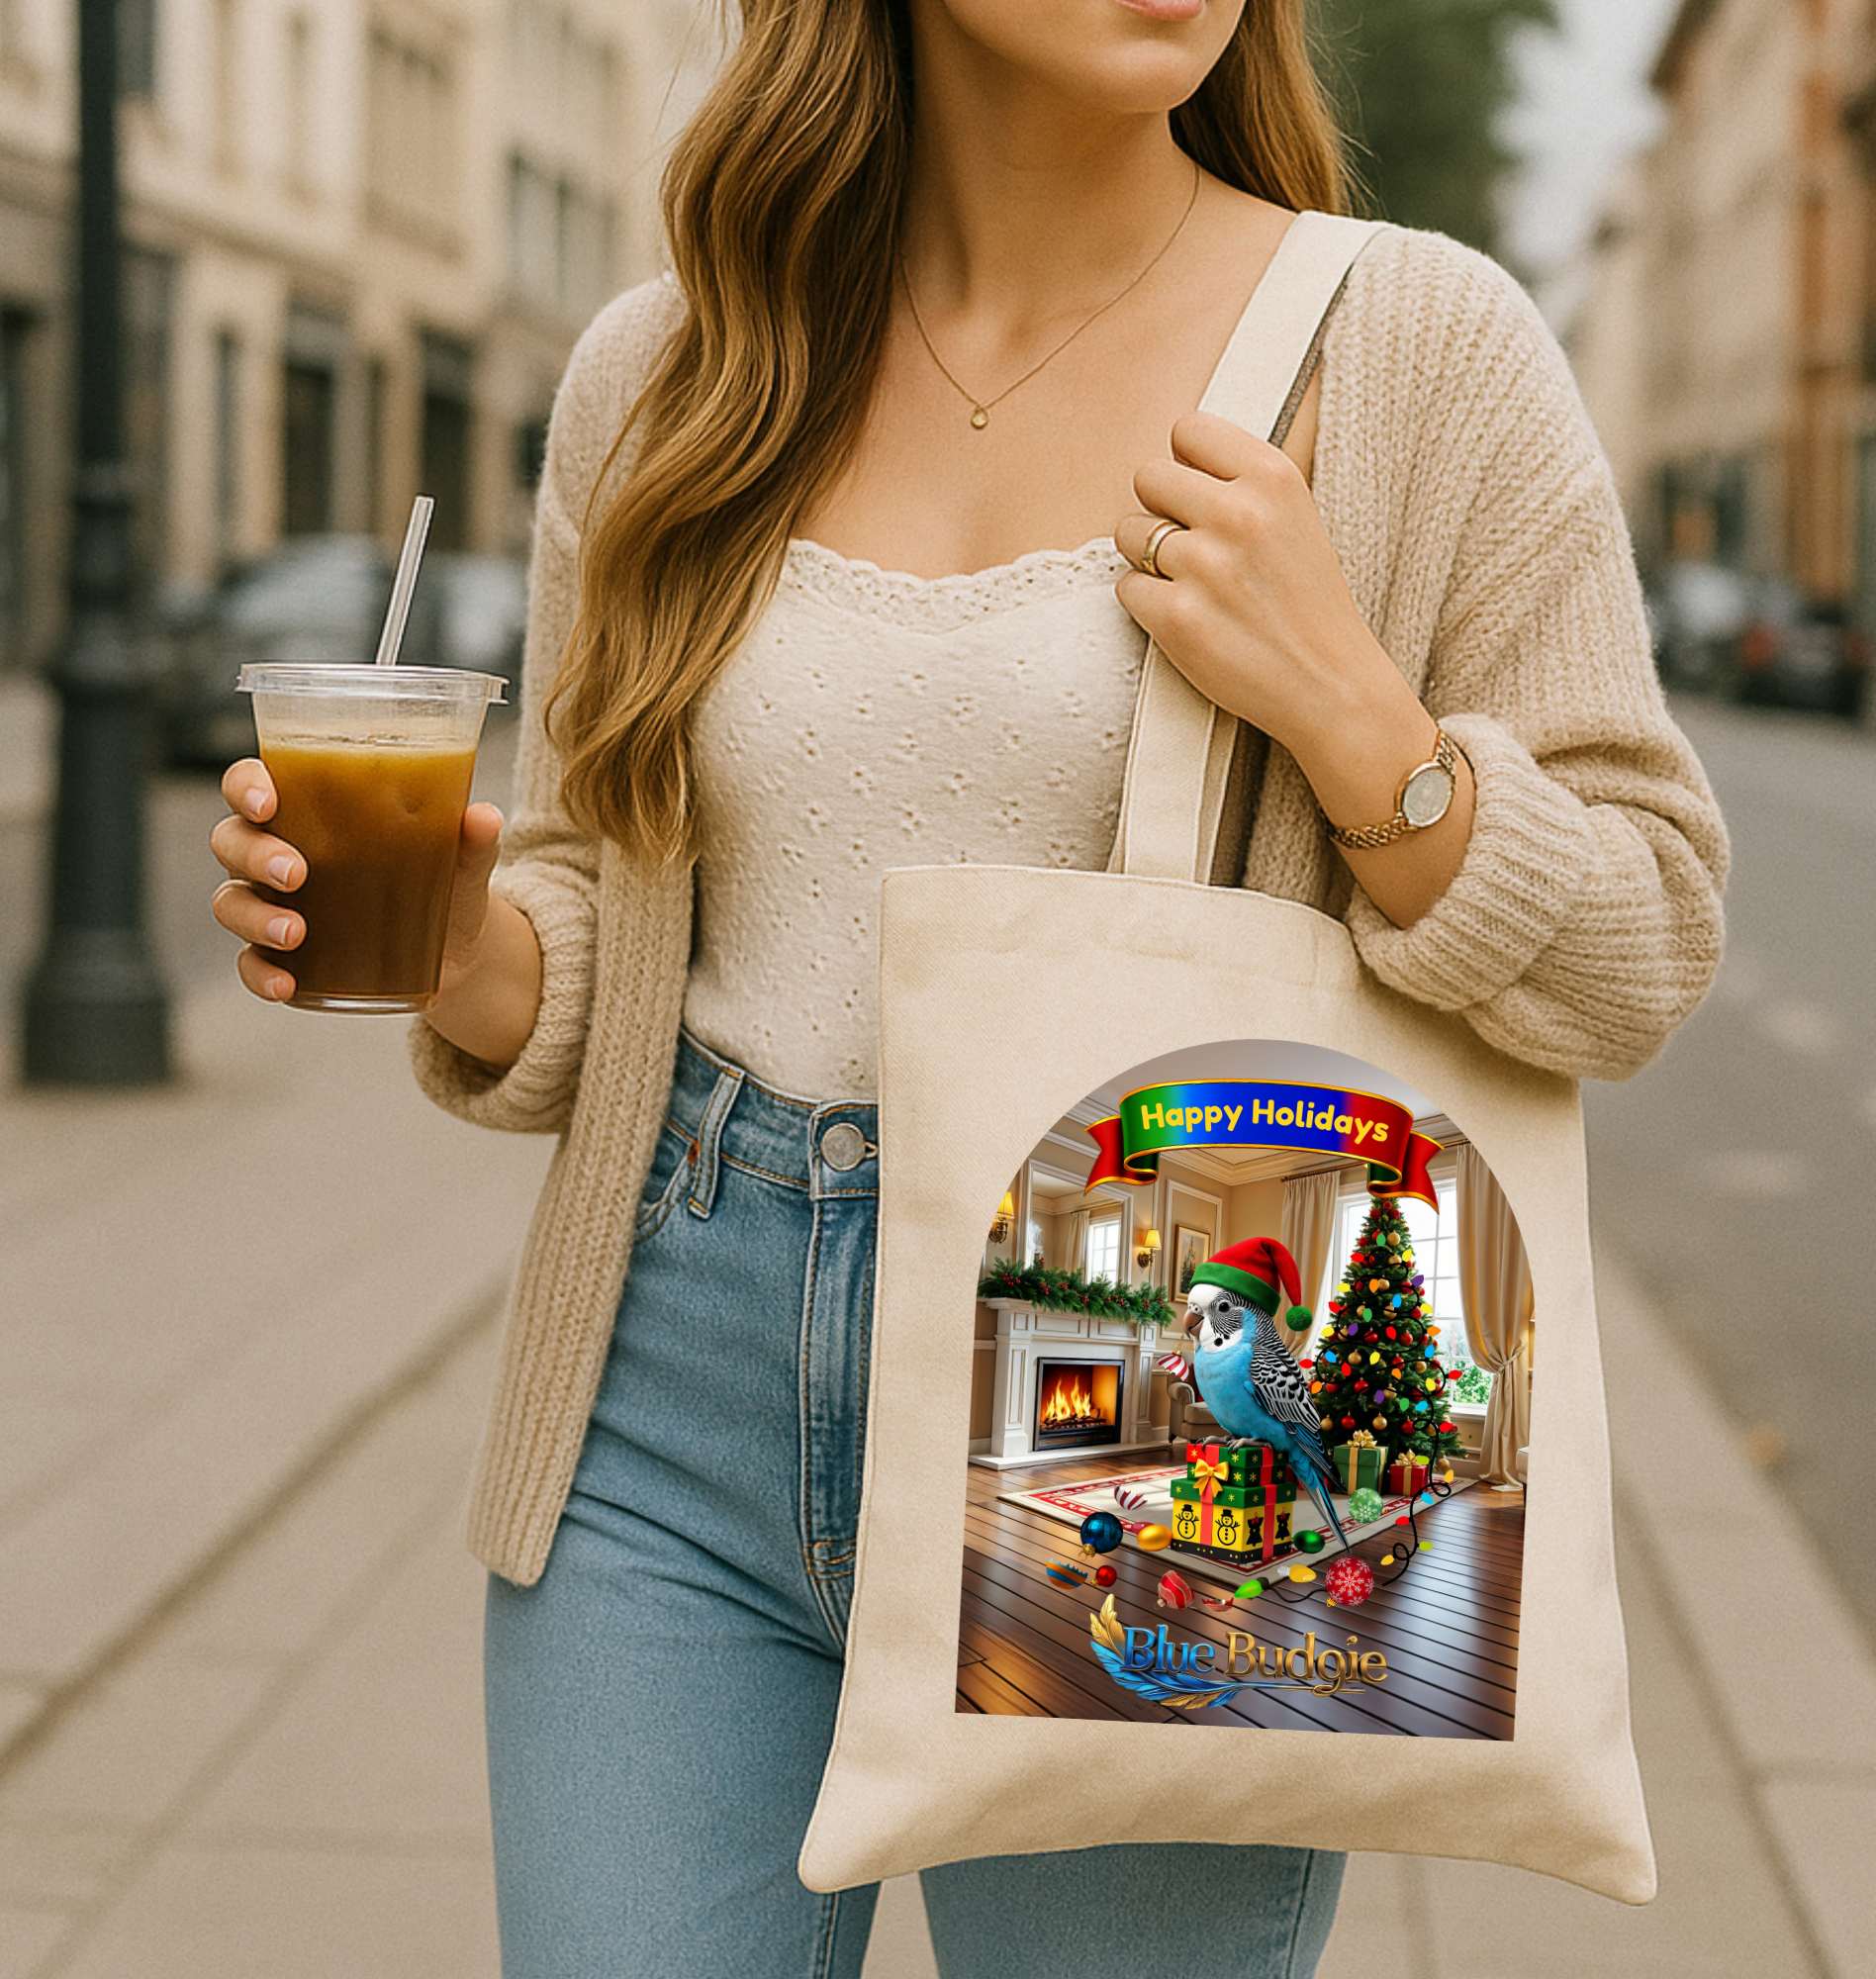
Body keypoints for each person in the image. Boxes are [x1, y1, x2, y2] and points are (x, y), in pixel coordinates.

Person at [210, 2, 1729, 1972]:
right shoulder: (669, 372)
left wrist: (1362, 725)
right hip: (670, 1387)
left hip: (1155, 1386)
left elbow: (1645, 937)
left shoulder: (1417, 349)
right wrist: (461, 955)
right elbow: (598, 913)